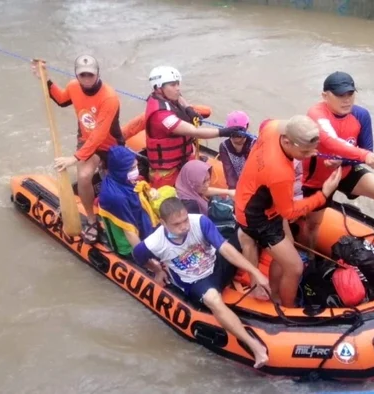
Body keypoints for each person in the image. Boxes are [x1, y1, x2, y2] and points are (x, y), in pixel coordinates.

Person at [132, 197, 270, 368]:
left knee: (244, 234)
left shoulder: (199, 222)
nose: (184, 227)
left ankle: (255, 287)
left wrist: (254, 272)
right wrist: (158, 270)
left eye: (185, 220)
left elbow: (224, 248)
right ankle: (254, 346)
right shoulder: (154, 243)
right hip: (195, 280)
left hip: (216, 264)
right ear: (163, 223)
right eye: (177, 224)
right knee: (213, 300)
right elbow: (138, 256)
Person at [302, 71, 374, 257]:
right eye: (340, 95)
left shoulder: (361, 115)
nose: (346, 100)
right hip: (317, 179)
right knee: (313, 224)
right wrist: (365, 156)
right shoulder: (316, 113)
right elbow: (331, 140)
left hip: (345, 171)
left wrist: (345, 160)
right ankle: (311, 256)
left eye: (350, 94)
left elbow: (366, 148)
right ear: (325, 96)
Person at [234, 115, 342, 307]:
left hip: (257, 197)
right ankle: (288, 307)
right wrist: (323, 195)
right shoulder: (280, 172)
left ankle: (275, 293)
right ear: (286, 141)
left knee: (288, 248)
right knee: (295, 267)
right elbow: (290, 212)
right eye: (305, 151)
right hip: (255, 216)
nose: (309, 155)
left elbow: (278, 124)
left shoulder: (273, 128)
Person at [31, 55, 125, 244]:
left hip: (110, 144)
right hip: (85, 140)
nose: (87, 79)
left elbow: (100, 133)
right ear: (77, 75)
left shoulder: (109, 97)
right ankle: (91, 220)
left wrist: (74, 158)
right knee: (83, 177)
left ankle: (122, 216)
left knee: (118, 187)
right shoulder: (74, 86)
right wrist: (45, 79)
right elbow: (61, 99)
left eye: (90, 74)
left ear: (97, 73)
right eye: (83, 75)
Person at [144, 66, 246, 188]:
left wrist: (189, 109)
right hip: (167, 171)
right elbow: (194, 132)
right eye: (173, 85)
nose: (178, 88)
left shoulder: (168, 97)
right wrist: (223, 132)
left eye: (178, 84)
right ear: (158, 88)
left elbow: (179, 96)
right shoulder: (160, 116)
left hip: (184, 160)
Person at [98, 146, 159, 257]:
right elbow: (129, 232)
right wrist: (146, 259)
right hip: (129, 245)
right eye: (131, 168)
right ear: (120, 170)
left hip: (142, 225)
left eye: (136, 166)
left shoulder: (121, 179)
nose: (136, 170)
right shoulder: (116, 197)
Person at [218, 111, 256, 189]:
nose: (235, 136)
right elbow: (229, 172)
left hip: (253, 184)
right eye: (233, 133)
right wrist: (234, 189)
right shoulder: (224, 147)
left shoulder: (254, 144)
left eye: (238, 134)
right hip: (237, 185)